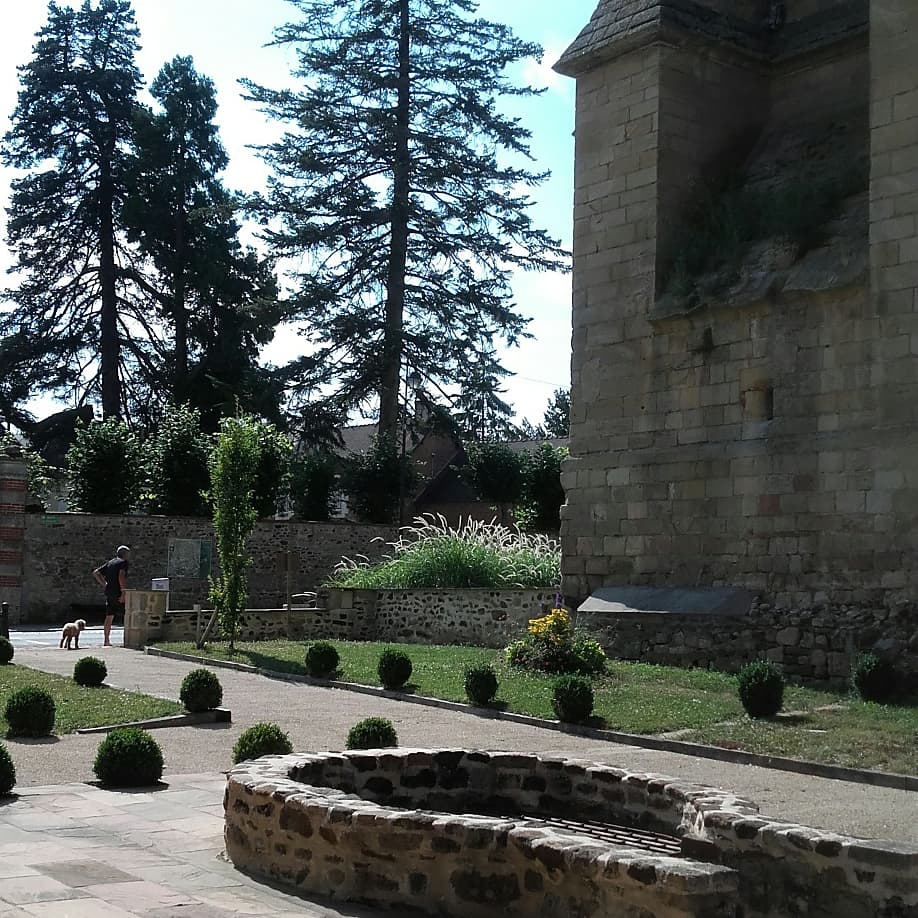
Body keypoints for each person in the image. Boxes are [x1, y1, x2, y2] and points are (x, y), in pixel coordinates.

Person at [93, 545, 130, 646]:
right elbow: (121, 576)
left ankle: (106, 640)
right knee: (127, 615)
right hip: (118, 592)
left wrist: (104, 584)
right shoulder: (123, 563)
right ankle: (128, 641)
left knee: (109, 616)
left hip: (110, 592)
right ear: (125, 554)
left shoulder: (111, 562)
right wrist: (123, 592)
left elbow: (96, 572)